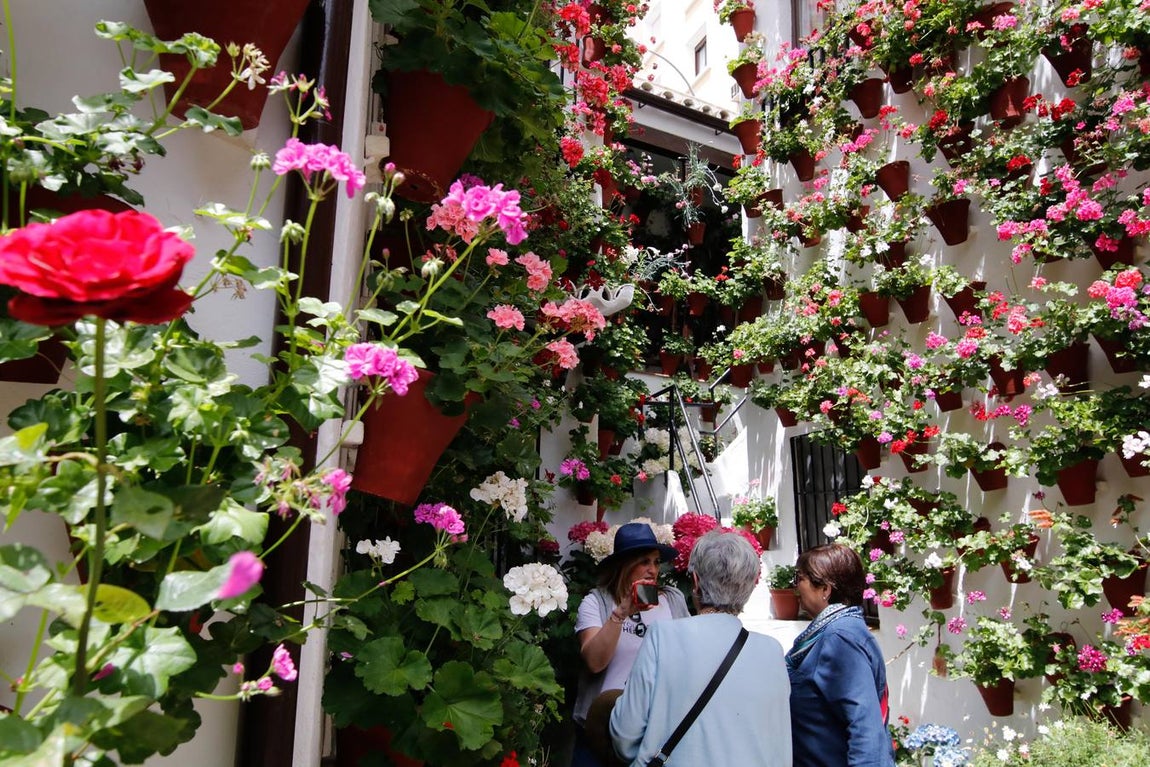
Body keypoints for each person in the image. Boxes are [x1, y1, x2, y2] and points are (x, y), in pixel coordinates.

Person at [609, 530, 792, 766]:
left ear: (695, 582)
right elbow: (780, 747)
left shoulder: (663, 636)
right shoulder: (771, 651)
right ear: (749, 587)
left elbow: (624, 736)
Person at [570, 522, 689, 767]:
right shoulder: (597, 602)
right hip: (600, 728)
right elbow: (594, 662)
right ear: (624, 565)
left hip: (654, 728)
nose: (653, 570)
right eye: (644, 561)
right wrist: (621, 612)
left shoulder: (672, 601)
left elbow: (689, 656)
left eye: (656, 562)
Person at [787, 543, 895, 767]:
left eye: (800, 578)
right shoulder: (837, 631)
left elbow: (865, 731)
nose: (795, 587)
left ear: (825, 589)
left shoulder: (841, 637)